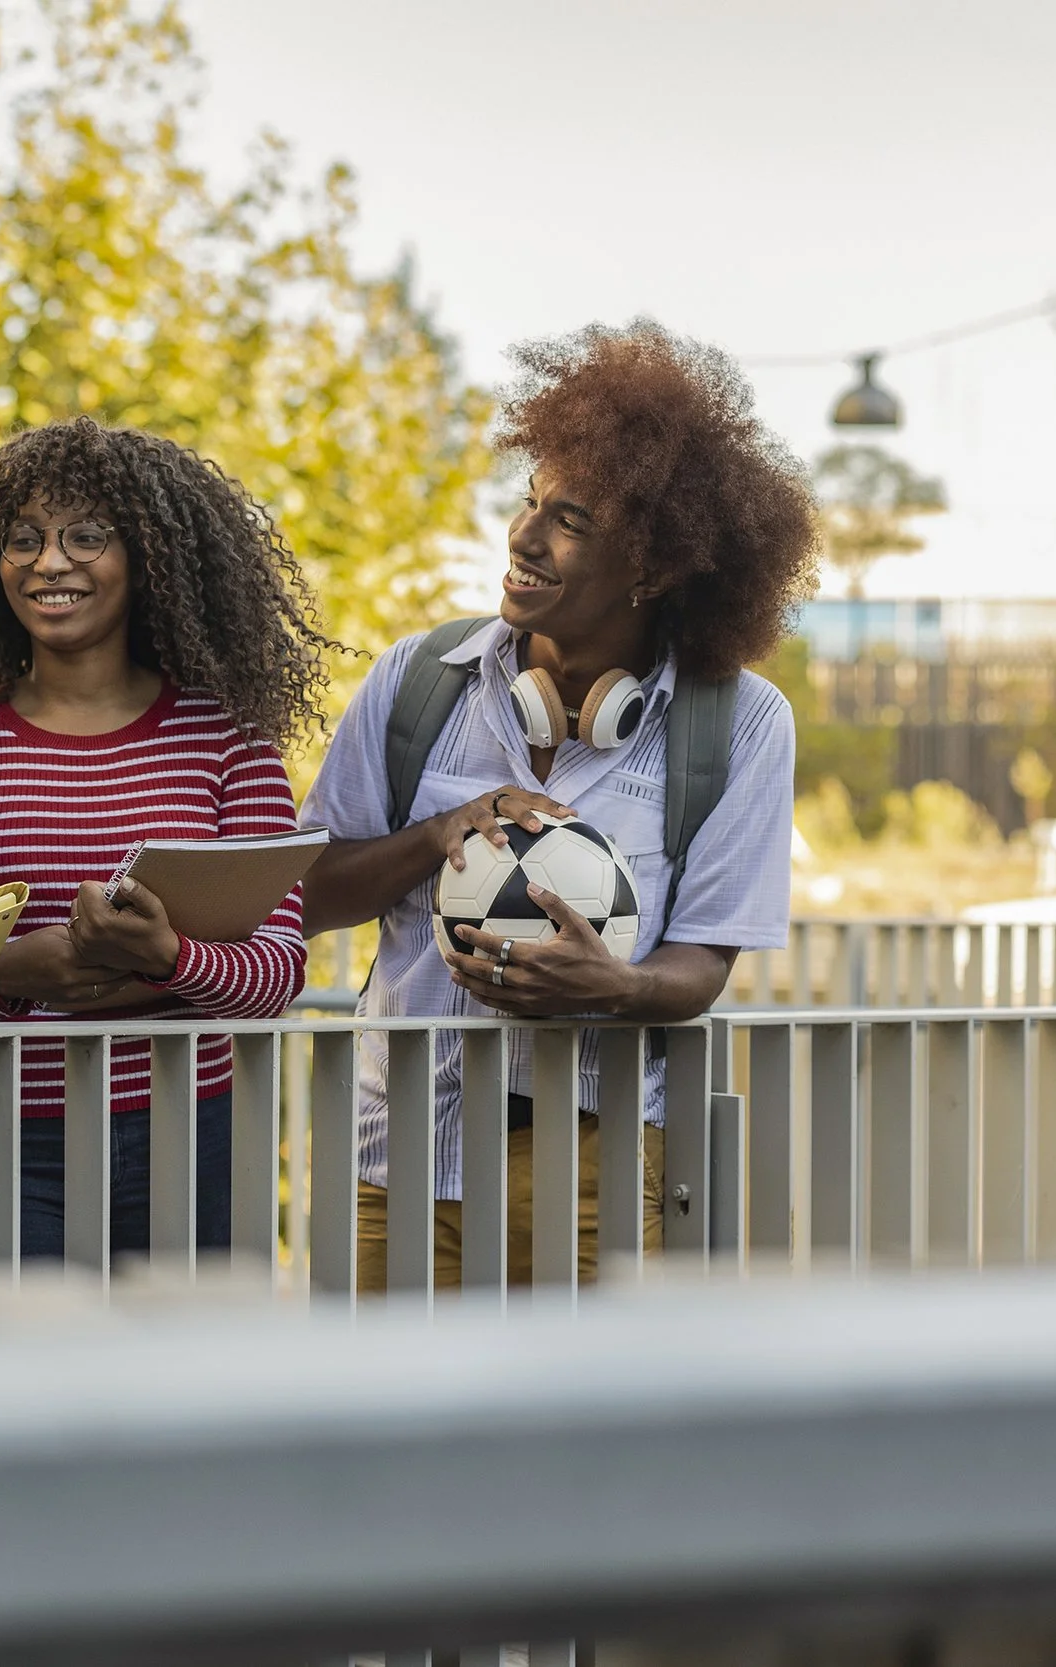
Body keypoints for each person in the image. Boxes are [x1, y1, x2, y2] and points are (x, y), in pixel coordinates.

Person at [298, 320, 817, 1289]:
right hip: (393, 1145)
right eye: (529, 501)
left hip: (593, 1157)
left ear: (655, 565)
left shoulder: (737, 722)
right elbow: (313, 894)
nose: (524, 537)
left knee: (574, 1437)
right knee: (378, 1431)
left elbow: (701, 962)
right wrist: (432, 837)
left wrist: (612, 988)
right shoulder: (419, 679)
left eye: (570, 520)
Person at [0, 417, 329, 1262]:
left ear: (150, 558)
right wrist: (22, 970)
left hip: (188, 1131)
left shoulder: (228, 737)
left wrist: (171, 958)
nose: (49, 562)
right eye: (23, 539)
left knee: (183, 1393)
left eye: (86, 536)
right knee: (12, 1392)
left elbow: (277, 974)